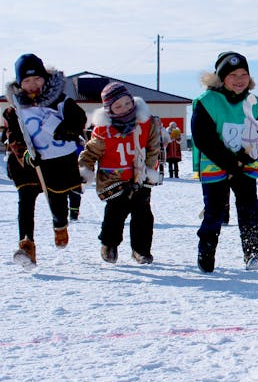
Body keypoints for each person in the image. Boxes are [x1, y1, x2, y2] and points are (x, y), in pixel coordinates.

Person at [3, 53, 86, 266]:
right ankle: (26, 245)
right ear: (20, 84)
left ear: (45, 78)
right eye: (27, 81)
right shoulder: (16, 109)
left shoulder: (59, 101)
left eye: (37, 79)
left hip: (57, 161)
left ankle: (60, 225)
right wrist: (23, 153)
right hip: (30, 163)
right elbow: (14, 135)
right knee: (26, 198)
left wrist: (62, 130)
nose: (32, 85)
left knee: (57, 199)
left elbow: (78, 121)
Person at [191, 51, 258, 273]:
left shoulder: (254, 102)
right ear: (221, 77)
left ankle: (252, 251)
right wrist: (230, 163)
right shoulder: (207, 102)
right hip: (215, 163)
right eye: (233, 74)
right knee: (214, 210)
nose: (239, 79)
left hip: (245, 162)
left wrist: (243, 159)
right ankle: (206, 250)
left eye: (244, 74)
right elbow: (204, 139)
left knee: (249, 207)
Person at [78, 82, 161, 264]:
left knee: (143, 214)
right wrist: (85, 171)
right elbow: (90, 153)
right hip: (113, 179)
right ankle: (109, 244)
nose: (124, 108)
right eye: (118, 106)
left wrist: (147, 169)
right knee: (115, 213)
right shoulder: (104, 130)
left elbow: (153, 147)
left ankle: (141, 250)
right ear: (109, 110)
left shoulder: (146, 122)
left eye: (127, 103)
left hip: (141, 175)